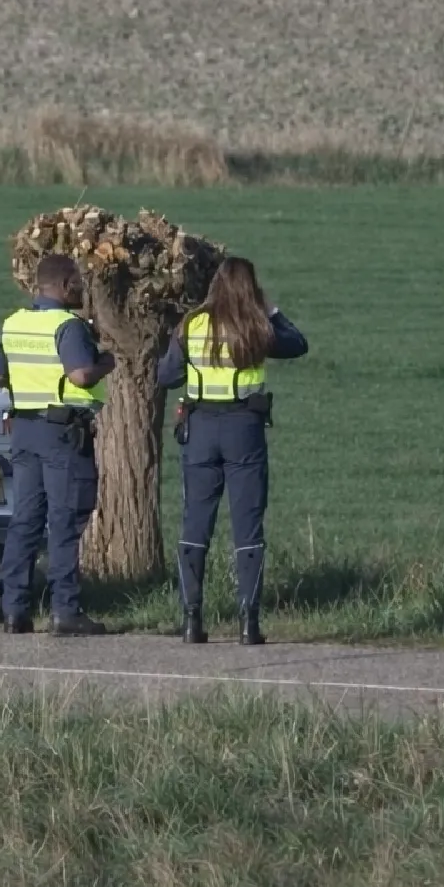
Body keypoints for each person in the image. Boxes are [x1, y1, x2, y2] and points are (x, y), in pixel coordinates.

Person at [157, 257, 308, 646]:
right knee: (248, 526)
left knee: (195, 523)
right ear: (250, 288)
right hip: (244, 429)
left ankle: (192, 621)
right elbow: (298, 343)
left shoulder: (192, 325)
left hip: (201, 428)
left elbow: (166, 375)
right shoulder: (255, 324)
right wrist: (271, 308)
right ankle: (249, 623)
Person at [0, 253, 114, 637]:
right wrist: (108, 362)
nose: (82, 288)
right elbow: (81, 374)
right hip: (61, 433)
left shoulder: (13, 324)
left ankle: (14, 610)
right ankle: (65, 611)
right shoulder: (68, 326)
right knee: (64, 520)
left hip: (24, 430)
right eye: (78, 282)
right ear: (64, 285)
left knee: (25, 520)